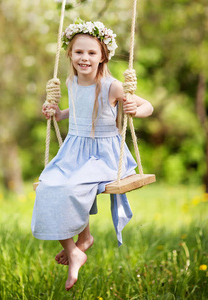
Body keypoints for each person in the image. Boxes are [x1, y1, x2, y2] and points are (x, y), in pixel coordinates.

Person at [31, 19, 154, 291]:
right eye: (79, 52)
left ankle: (81, 243)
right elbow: (77, 112)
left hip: (103, 155)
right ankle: (77, 247)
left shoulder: (112, 86)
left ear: (102, 57)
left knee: (73, 186)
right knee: (48, 186)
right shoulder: (71, 81)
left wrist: (135, 107)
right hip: (74, 150)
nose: (84, 58)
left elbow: (149, 107)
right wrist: (57, 114)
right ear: (70, 55)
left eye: (91, 53)